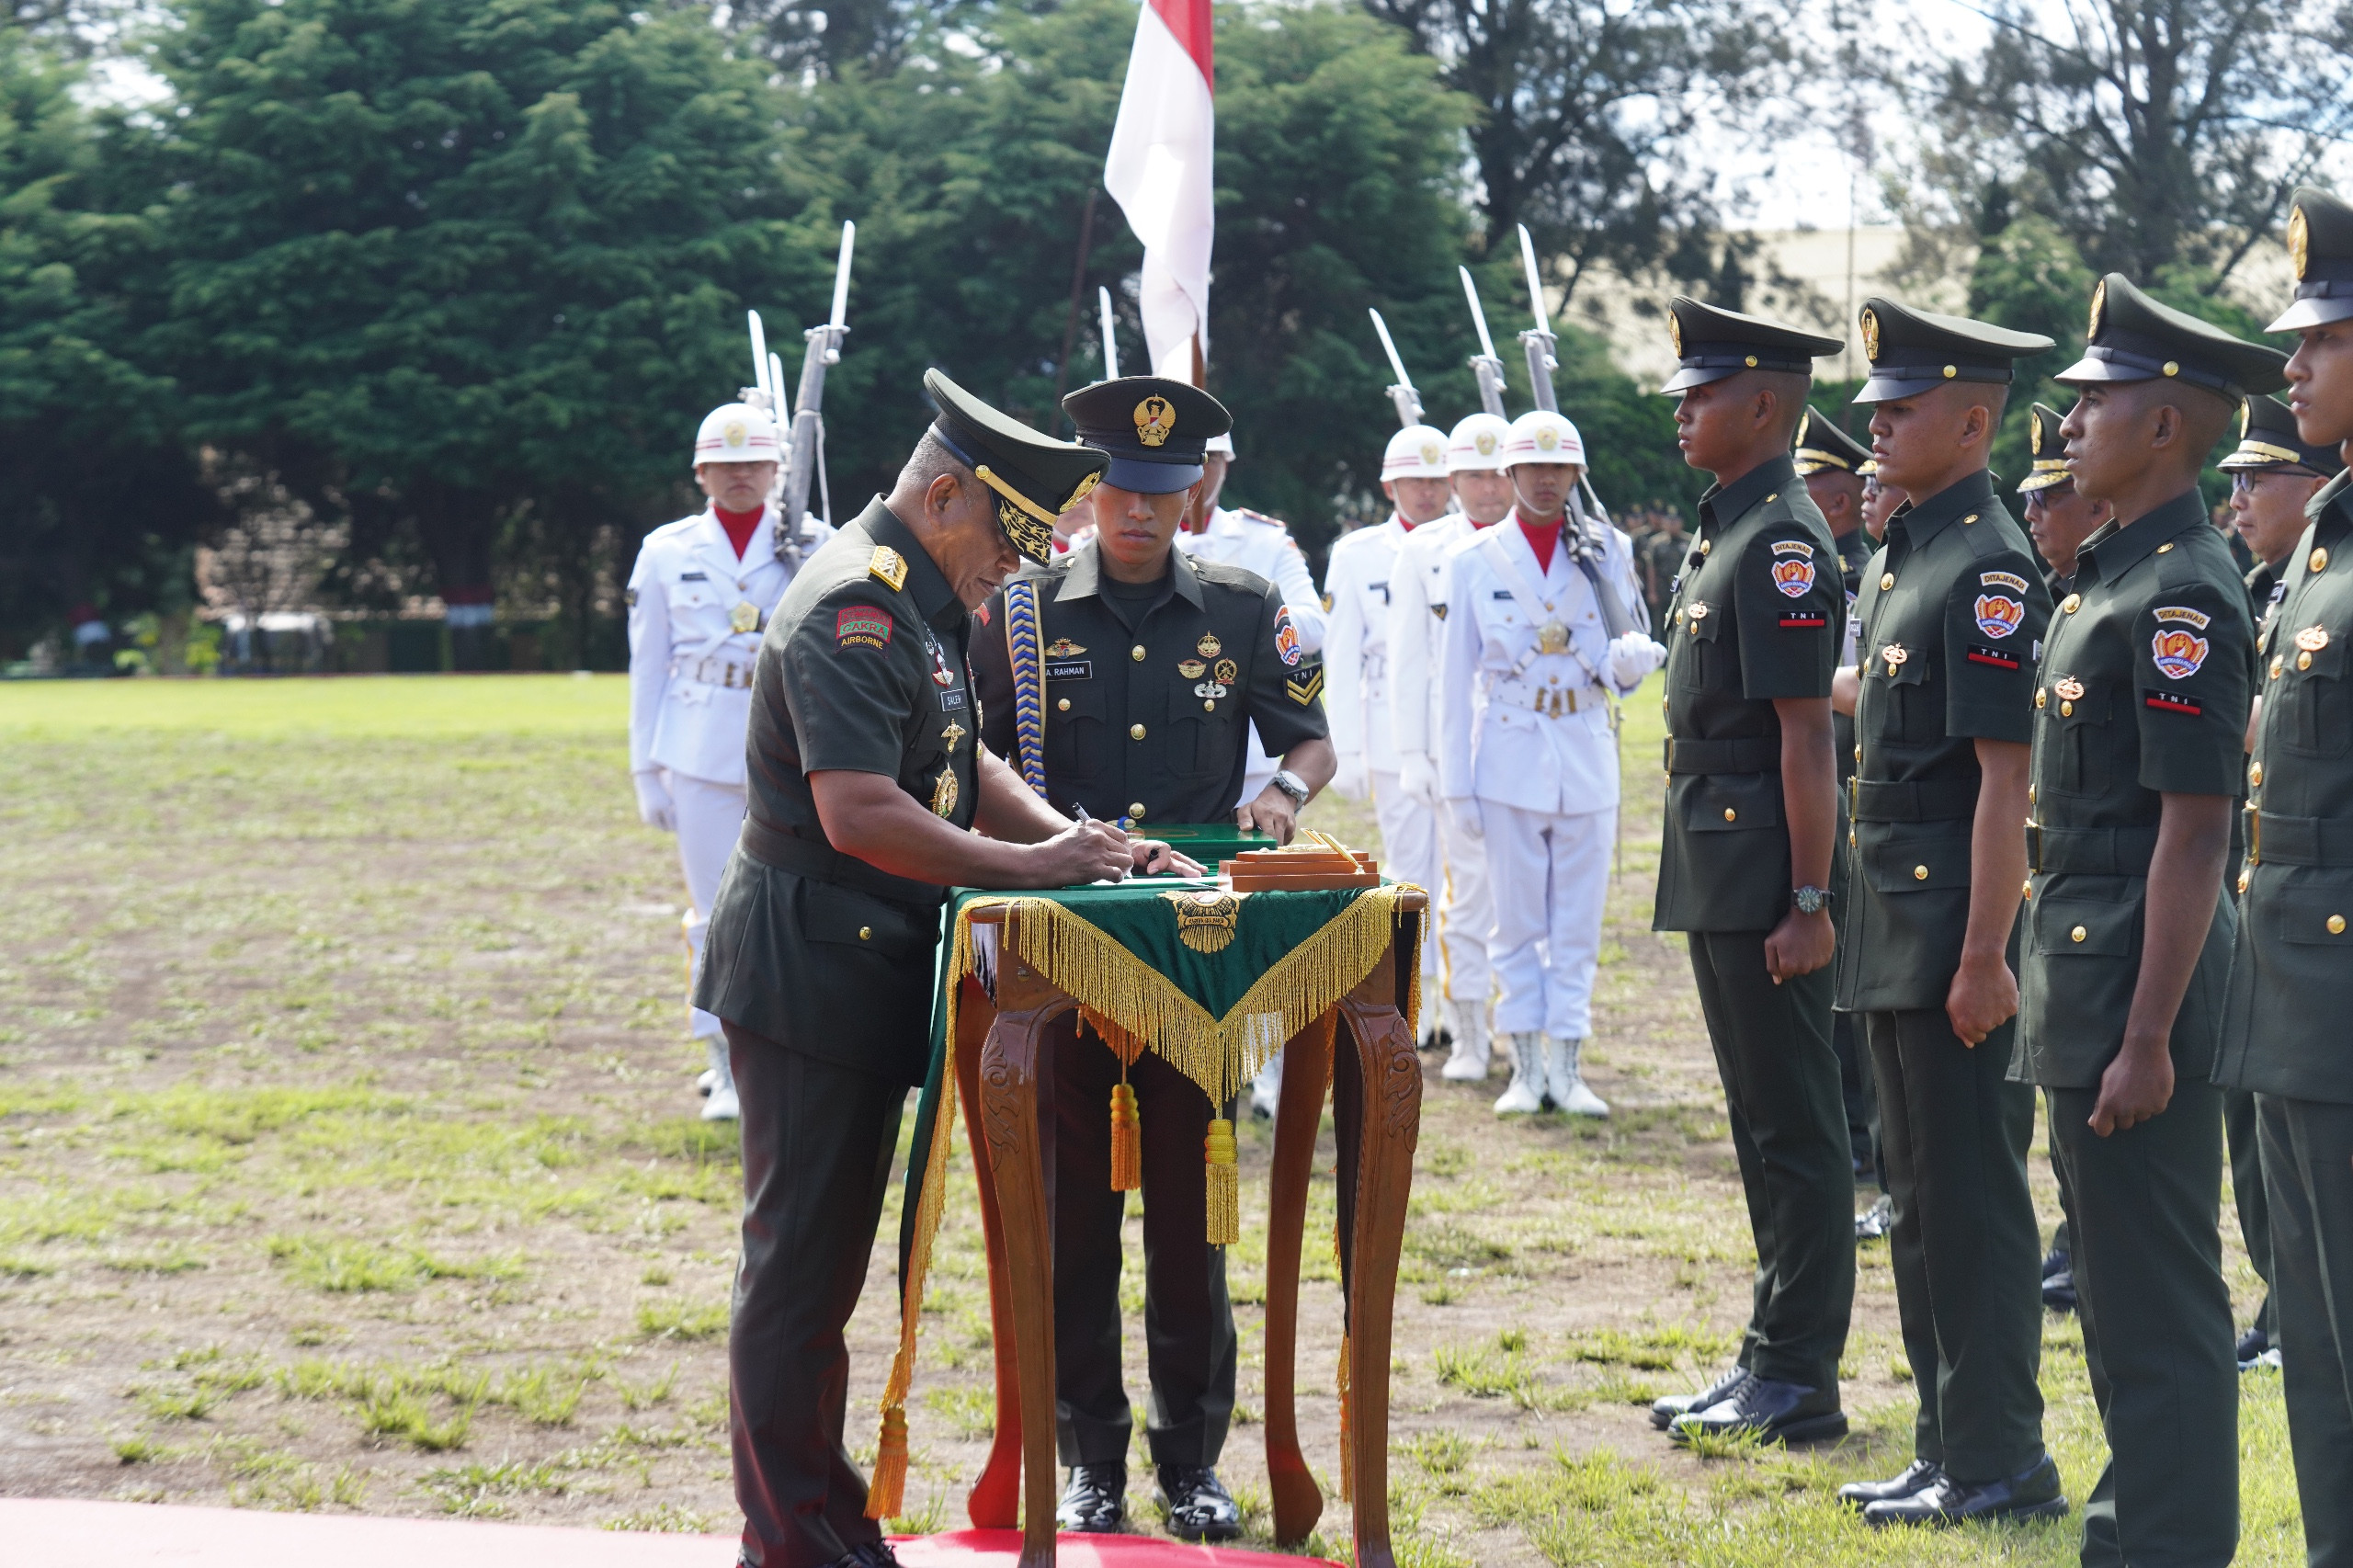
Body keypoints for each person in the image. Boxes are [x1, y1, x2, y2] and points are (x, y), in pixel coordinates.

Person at [690, 369, 1173, 1568]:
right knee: (799, 1272)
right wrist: (1034, 870)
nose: (1013, 570)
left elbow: (957, 764)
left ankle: (813, 1525)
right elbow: (860, 809)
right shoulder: (855, 605)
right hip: (811, 966)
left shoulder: (915, 591)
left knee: (827, 1266)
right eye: (1007, 544)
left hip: (859, 959)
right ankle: (800, 1537)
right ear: (945, 494)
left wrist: (1062, 836)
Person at [970, 375, 1336, 1545]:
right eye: (1123, 490)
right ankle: (1090, 1460)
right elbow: (972, 757)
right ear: (1092, 491)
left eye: (1164, 493)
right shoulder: (1020, 613)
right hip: (1064, 942)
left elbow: (1309, 737)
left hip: (1194, 948)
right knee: (1074, 1209)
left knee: (1193, 1209)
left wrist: (1281, 795)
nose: (1141, 512)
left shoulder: (1241, 601)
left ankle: (1192, 1460)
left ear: (1195, 493)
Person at [2025, 273, 2280, 1568]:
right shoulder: (2108, 577)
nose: (2072, 423)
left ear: (2168, 422)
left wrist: (2148, 1034)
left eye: (2098, 399)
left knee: (2160, 1295)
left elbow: (2195, 831)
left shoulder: (2178, 592)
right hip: (2089, 975)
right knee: (2118, 1296)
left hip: (2136, 988)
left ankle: (2170, 1542)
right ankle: (2137, 1531)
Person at [1824, 299, 2064, 1525]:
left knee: (1969, 1200)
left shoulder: (1986, 567)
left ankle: (2002, 1456)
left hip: (1952, 935)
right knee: (1919, 1201)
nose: (1875, 426)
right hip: (1892, 922)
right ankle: (1947, 1440)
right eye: (1874, 405)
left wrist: (1984, 956)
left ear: (1974, 422)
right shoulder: (1910, 550)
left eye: (1901, 408)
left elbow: (2002, 781)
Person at [1646, 297, 1857, 1445]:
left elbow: (1804, 735)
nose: (1683, 410)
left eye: (1703, 392)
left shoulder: (1779, 539)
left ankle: (1800, 1374)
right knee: (1758, 1119)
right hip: (1721, 854)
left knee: (1795, 1124)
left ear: (1764, 405)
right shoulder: (1730, 525)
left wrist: (1811, 898)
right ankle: (1768, 1351)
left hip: (1767, 865)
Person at [2216, 183, 2353, 1568]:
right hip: (2292, 1009)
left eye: (2321, 338)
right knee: (2314, 1342)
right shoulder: (2324, 531)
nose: (2293, 365)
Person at [1437, 408, 1660, 1116]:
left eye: (1558, 467)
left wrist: (1629, 666)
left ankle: (1568, 1064)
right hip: (1506, 753)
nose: (1543, 479)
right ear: (1507, 474)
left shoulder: (1607, 549)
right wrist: (1456, 788)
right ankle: (1524, 1066)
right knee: (1515, 922)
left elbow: (1620, 658)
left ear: (1575, 474)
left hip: (1586, 751)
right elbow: (1452, 684)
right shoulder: (1474, 560)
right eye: (1530, 466)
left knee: (1578, 923)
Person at [628, 403, 824, 1121]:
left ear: (778, 469)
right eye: (725, 465)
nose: (740, 476)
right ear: (701, 472)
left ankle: (791, 1048)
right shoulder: (666, 551)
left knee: (797, 906)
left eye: (754, 463)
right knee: (715, 913)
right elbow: (647, 666)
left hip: (791, 743)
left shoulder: (815, 542)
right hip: (700, 747)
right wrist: (645, 771)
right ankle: (725, 1061)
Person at [2212, 390, 2337, 1372]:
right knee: (2258, 1143)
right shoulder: (2288, 577)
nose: (2240, 496)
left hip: (2312, 930)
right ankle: (2279, 1304)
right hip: (2267, 916)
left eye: (2259, 476)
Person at [2014, 398, 2110, 1316]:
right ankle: (2073, 1237)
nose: (2036, 510)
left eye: (2052, 495)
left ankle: (2082, 1243)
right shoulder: (2065, 598)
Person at [1391, 412, 1515, 1080]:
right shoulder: (1423, 550)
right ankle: (1469, 1033)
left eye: (1499, 473)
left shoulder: (1550, 545)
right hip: (1454, 750)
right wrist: (1413, 752)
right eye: (1473, 474)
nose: (1490, 488)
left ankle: (1527, 1032)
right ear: (1453, 479)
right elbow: (1411, 660)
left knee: (1527, 900)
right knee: (1466, 896)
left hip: (1527, 746)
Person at [1792, 407, 1885, 1216]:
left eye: (1818, 479)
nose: (1807, 492)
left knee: (1859, 974)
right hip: (1820, 775)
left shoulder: (1863, 570)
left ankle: (1863, 1129)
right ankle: (1848, 1122)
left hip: (1859, 776)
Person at [1323, 425, 1450, 995]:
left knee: (1469, 866)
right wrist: (1345, 748)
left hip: (1462, 722)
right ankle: (1415, 990)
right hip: (1387, 724)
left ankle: (1461, 991)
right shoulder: (1358, 553)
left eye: (1435, 479)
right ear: (1387, 484)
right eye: (1412, 481)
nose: (1426, 492)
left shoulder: (1473, 543)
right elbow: (1341, 656)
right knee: (1409, 860)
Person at [1176, 431, 1329, 806]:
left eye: (1211, 459)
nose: (1199, 470)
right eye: (1187, 457)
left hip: (1245, 748)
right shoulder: (1112, 538)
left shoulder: (1265, 540)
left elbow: (1311, 628)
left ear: (1227, 466)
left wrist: (1239, 609)